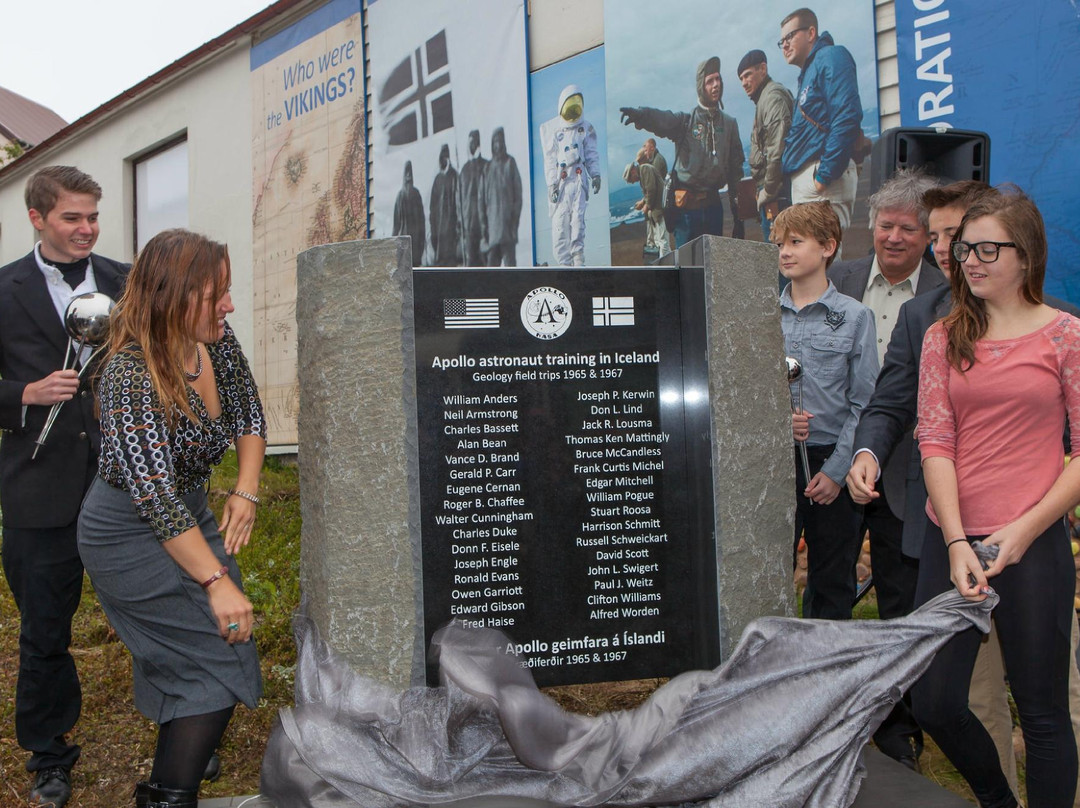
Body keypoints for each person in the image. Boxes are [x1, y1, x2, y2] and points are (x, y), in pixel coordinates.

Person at [848, 181, 1080, 798]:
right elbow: (936, 443)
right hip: (954, 546)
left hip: (1032, 547)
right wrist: (955, 541)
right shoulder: (941, 336)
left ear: (1025, 255)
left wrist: (1023, 531)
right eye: (964, 249)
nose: (968, 261)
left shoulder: (1065, 336)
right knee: (936, 702)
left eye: (985, 250)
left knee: (1045, 714)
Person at [77, 229, 266, 807]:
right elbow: (153, 497)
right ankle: (168, 794)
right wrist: (214, 582)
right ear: (175, 295)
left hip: (189, 513)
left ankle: (180, 761)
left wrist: (246, 488)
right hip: (128, 532)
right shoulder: (128, 375)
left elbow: (248, 409)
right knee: (218, 651)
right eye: (218, 295)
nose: (229, 305)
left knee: (214, 646)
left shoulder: (215, 338)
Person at [0, 166, 128, 807]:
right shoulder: (2, 290)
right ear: (37, 218)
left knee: (154, 612)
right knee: (44, 632)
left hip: (126, 481)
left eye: (93, 217)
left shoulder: (127, 283)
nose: (87, 230)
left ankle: (189, 725)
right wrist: (23, 393)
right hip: (37, 490)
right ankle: (49, 756)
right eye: (73, 218)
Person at [826, 169, 942, 765]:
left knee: (900, 604)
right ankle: (829, 720)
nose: (894, 237)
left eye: (908, 228)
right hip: (836, 464)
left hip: (911, 474)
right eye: (885, 225)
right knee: (831, 597)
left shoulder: (949, 293)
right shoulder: (837, 279)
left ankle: (897, 734)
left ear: (928, 238)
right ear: (869, 228)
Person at [774, 201, 877, 620]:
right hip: (775, 462)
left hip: (832, 459)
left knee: (831, 580)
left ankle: (825, 675)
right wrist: (777, 423)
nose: (784, 251)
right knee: (765, 571)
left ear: (828, 247)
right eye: (779, 243)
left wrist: (837, 472)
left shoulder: (855, 317)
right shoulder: (760, 316)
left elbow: (865, 402)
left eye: (796, 242)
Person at [619, 56, 745, 247]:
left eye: (718, 79)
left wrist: (739, 217)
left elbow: (736, 172)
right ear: (701, 86)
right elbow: (663, 119)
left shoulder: (729, 124)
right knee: (686, 270)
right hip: (686, 213)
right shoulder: (686, 122)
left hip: (714, 209)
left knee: (712, 267)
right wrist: (642, 115)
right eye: (710, 81)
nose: (716, 85)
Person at [779, 8, 863, 239]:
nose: (784, 45)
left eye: (790, 36)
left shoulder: (830, 56)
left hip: (821, 181)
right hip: (811, 182)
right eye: (781, 41)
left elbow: (847, 115)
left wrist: (823, 176)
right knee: (811, 264)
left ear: (811, 32)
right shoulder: (810, 70)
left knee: (823, 261)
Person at [540, 84, 601, 267]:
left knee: (577, 221)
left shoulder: (585, 128)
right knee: (560, 226)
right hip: (562, 182)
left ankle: (578, 260)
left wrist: (595, 174)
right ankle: (564, 265)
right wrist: (552, 185)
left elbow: (591, 153)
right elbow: (550, 160)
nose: (574, 110)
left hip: (579, 179)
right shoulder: (554, 131)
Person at [738, 48, 793, 243]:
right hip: (773, 194)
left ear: (763, 68)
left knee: (782, 259)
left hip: (777, 196)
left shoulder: (772, 98)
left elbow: (776, 150)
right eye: (741, 79)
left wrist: (768, 192)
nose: (744, 83)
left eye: (747, 75)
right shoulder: (764, 100)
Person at [480, 127, 523, 267]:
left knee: (511, 273)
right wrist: (484, 227)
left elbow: (518, 197)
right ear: (492, 144)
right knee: (492, 277)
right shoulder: (487, 168)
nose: (497, 145)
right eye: (495, 142)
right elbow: (481, 201)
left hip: (508, 231)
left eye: (500, 141)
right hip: (492, 233)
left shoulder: (510, 163)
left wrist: (514, 223)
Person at [623, 152, 670, 259]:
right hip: (658, 210)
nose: (632, 182)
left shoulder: (645, 169)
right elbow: (650, 190)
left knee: (663, 242)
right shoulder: (644, 171)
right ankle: (666, 264)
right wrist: (643, 202)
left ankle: (666, 267)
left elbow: (651, 190)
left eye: (631, 179)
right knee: (660, 241)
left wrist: (646, 206)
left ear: (633, 171)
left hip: (660, 210)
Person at [459, 130, 488, 266]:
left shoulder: (486, 166)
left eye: (473, 142)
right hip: (469, 227)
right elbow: (460, 200)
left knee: (487, 265)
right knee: (471, 266)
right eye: (469, 142)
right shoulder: (464, 170)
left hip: (485, 227)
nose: (471, 145)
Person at [429, 144, 461, 267]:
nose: (442, 160)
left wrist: (458, 224)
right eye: (441, 157)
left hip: (452, 227)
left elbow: (458, 201)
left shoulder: (454, 176)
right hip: (439, 229)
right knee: (440, 262)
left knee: (451, 262)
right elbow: (432, 207)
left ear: (448, 158)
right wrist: (433, 228)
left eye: (445, 157)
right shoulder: (437, 179)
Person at [393, 161, 425, 267]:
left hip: (416, 246)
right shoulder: (399, 197)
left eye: (410, 173)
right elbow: (396, 225)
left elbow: (422, 222)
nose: (408, 176)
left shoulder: (417, 195)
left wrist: (421, 244)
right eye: (406, 173)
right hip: (403, 245)